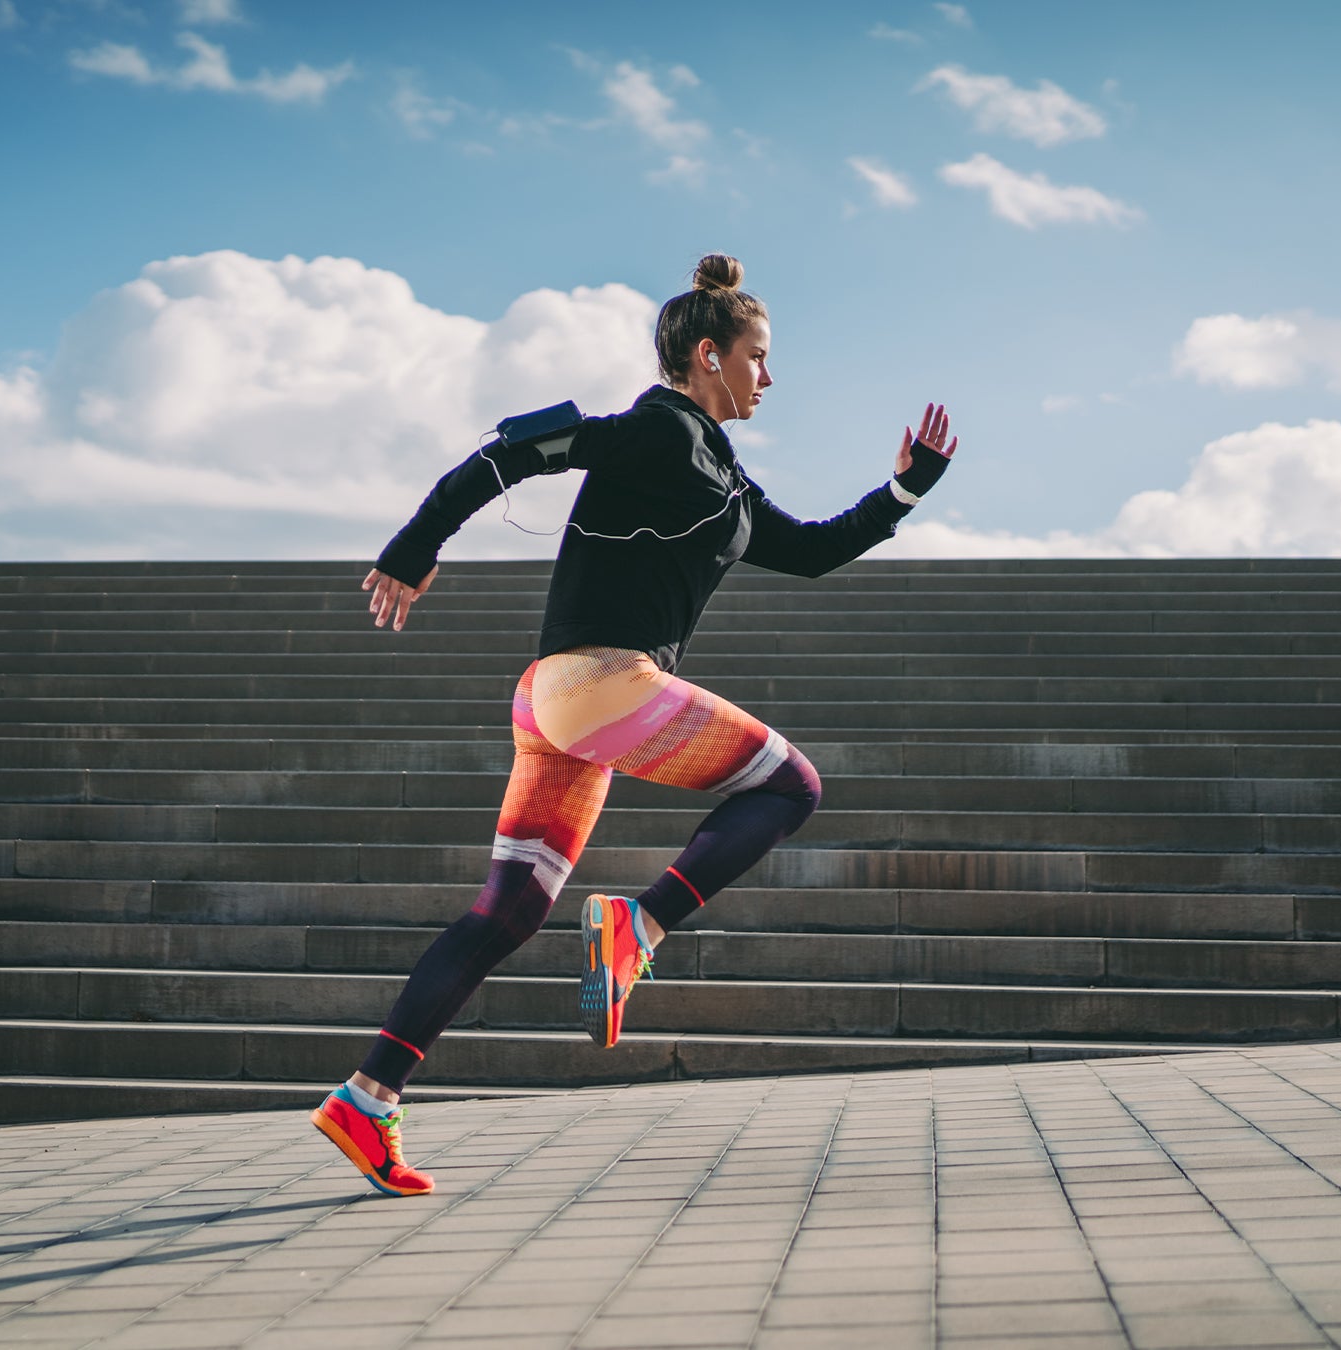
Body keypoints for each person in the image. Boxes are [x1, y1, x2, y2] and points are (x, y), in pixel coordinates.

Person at [312, 253, 958, 1196]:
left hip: (557, 707)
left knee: (511, 910)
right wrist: (414, 547)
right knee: (789, 785)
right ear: (708, 355)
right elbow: (508, 452)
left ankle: (368, 1098)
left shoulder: (722, 474)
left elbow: (814, 553)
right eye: (759, 358)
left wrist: (905, 490)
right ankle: (638, 927)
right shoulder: (654, 433)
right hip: (600, 682)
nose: (769, 378)